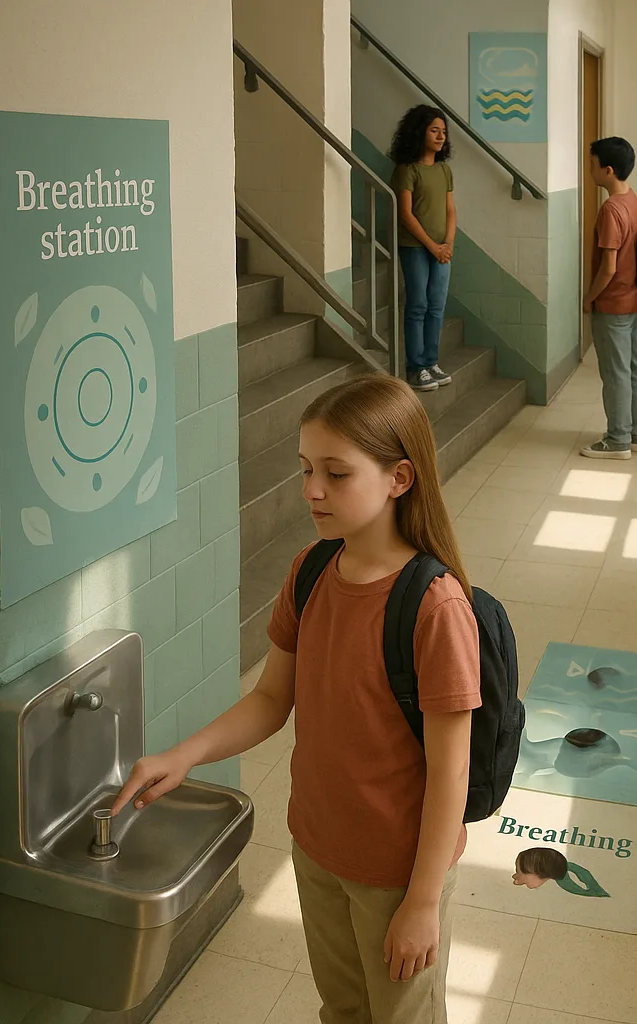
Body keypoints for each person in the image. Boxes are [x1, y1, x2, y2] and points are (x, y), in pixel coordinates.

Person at [112, 375, 481, 1024]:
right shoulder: (311, 571)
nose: (312, 489)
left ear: (400, 478)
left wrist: (422, 901)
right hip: (317, 847)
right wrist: (184, 755)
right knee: (342, 1009)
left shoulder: (433, 606)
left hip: (398, 871)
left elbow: (452, 771)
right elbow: (270, 698)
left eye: (336, 474)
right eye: (307, 469)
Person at [580, 136, 637, 460]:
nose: (588, 169)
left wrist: (588, 298)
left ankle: (617, 440)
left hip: (614, 304)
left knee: (615, 373)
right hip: (635, 301)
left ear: (607, 170)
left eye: (592, 165)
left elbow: (608, 268)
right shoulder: (630, 199)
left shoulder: (610, 209)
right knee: (636, 368)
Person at [390, 105, 457, 393]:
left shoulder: (444, 170)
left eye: (443, 131)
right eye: (434, 130)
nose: (441, 136)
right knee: (417, 306)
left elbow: (451, 211)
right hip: (415, 248)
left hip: (442, 251)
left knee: (437, 306)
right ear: (419, 132)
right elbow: (405, 214)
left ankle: (431, 362)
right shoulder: (406, 170)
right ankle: (415, 367)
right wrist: (432, 246)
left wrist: (448, 245)